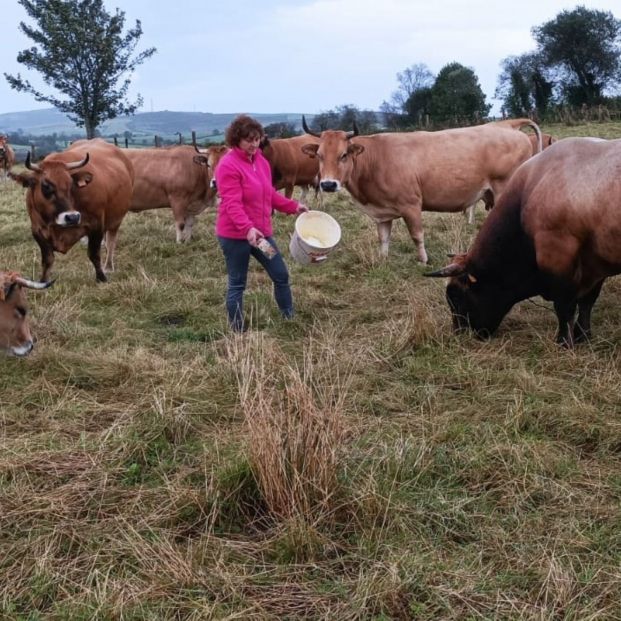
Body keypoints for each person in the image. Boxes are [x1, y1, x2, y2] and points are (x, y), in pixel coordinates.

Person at [215, 115, 308, 332]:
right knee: (238, 283)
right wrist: (247, 228)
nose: (253, 144)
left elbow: (270, 195)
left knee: (280, 274)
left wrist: (294, 206)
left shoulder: (262, 162)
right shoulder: (228, 166)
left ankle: (288, 318)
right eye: (248, 140)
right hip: (235, 237)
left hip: (260, 237)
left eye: (257, 139)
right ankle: (238, 331)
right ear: (236, 140)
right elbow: (232, 203)